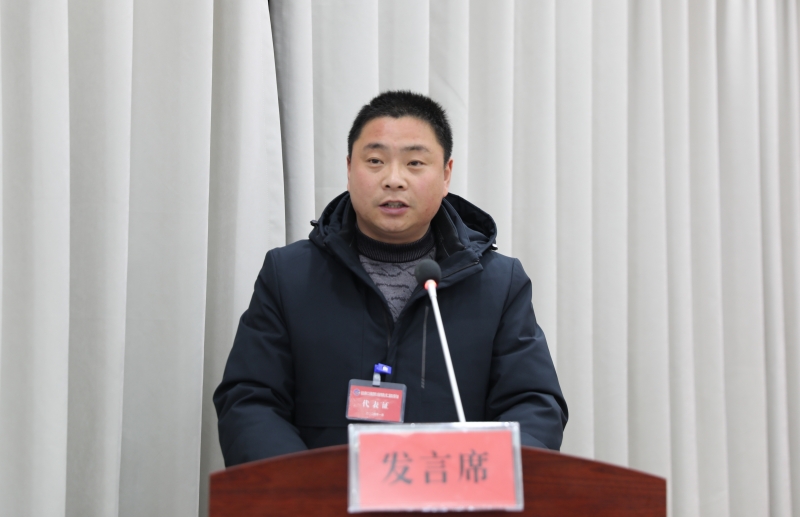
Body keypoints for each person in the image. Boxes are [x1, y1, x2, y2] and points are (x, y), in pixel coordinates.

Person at [214, 91, 567, 466]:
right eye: (375, 161)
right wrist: (306, 488)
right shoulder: (289, 275)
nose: (394, 179)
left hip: (450, 492)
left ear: (446, 174)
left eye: (414, 163)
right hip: (320, 494)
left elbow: (533, 404)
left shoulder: (499, 283)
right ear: (349, 168)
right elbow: (251, 400)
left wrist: (483, 481)